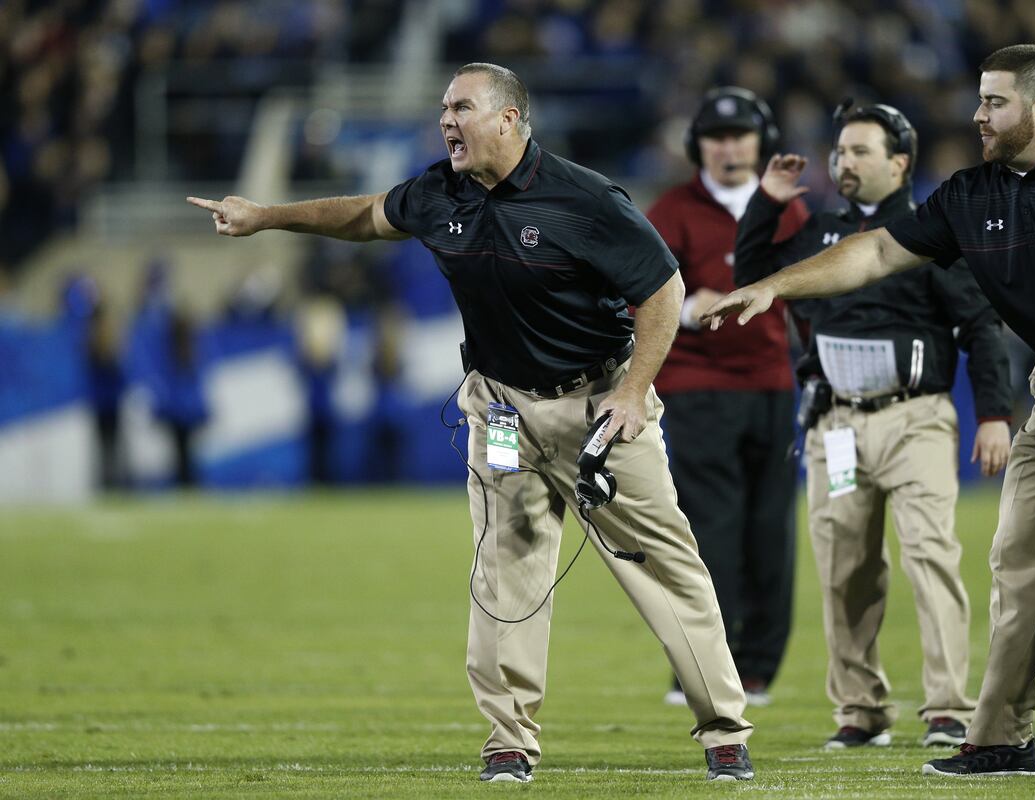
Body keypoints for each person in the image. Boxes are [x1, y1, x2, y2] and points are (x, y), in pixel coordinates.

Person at [186, 62, 755, 783]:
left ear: (509, 120)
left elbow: (664, 290)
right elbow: (366, 216)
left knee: (662, 566)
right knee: (504, 570)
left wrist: (636, 390)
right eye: (443, 109)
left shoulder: (582, 198)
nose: (446, 120)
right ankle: (508, 740)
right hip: (503, 409)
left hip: (597, 409)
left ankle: (724, 731)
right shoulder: (439, 192)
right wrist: (268, 215)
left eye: (461, 108)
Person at [703, 44, 1035, 783]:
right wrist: (777, 286)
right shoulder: (972, 196)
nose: (976, 115)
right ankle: (1000, 736)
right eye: (978, 99)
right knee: (1018, 568)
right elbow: (874, 253)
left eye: (994, 102)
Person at [733, 100, 1012, 750]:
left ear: (900, 162)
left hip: (913, 419)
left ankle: (947, 706)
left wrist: (995, 413)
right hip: (836, 426)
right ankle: (860, 709)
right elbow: (755, 283)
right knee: (844, 567)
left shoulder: (928, 236)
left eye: (860, 151)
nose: (843, 161)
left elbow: (979, 326)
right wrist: (766, 205)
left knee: (929, 557)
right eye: (841, 150)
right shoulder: (819, 229)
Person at [646, 87, 808, 708]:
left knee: (771, 527)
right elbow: (638, 289)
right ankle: (703, 666)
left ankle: (759, 666)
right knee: (707, 530)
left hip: (771, 383)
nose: (731, 147)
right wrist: (688, 307)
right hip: (696, 386)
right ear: (698, 147)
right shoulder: (671, 211)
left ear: (759, 142)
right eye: (718, 136)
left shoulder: (787, 212)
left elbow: (813, 294)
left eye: (741, 135)